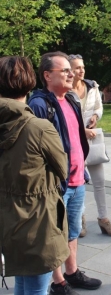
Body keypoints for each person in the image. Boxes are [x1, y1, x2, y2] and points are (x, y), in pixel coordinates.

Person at [28, 51, 101, 295]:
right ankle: (58, 283)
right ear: (47, 75)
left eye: (71, 70)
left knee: (71, 232)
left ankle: (72, 272)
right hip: (56, 185)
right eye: (65, 71)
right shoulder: (39, 105)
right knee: (54, 236)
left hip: (78, 180)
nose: (72, 74)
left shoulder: (70, 99)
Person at [0, 56, 69, 295]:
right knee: (37, 287)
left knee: (22, 282)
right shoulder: (38, 128)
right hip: (38, 223)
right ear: (29, 83)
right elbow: (63, 168)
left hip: (8, 218)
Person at [68, 53, 111, 237]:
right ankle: (80, 219)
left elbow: (99, 107)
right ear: (69, 70)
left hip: (92, 141)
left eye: (82, 67)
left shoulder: (92, 86)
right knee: (78, 183)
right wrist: (82, 131)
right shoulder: (65, 91)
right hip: (75, 143)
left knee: (99, 182)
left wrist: (96, 116)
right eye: (76, 68)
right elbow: (66, 119)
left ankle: (104, 219)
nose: (81, 70)